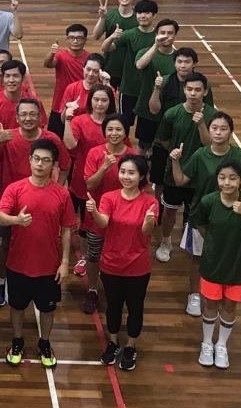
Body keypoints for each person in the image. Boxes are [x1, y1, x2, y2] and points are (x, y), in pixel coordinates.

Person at [169, 111, 241, 318]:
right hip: (202, 215)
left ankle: (222, 296)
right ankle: (194, 295)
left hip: (233, 218)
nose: (218, 132)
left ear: (231, 132)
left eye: (223, 128)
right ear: (208, 130)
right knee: (197, 258)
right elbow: (180, 181)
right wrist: (175, 161)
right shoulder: (200, 154)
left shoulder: (238, 155)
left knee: (225, 257)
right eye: (214, 128)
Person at [0, 139, 76, 369]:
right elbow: (0, 217)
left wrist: (64, 262)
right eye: (37, 159)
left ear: (54, 165)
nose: (40, 164)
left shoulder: (62, 194)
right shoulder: (15, 188)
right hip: (18, 263)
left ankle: (45, 343)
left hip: (49, 266)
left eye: (46, 160)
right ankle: (17, 341)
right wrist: (16, 220)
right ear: (30, 160)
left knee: (48, 308)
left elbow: (68, 229)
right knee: (17, 306)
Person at [86, 154, 159, 371]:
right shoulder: (109, 197)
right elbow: (103, 223)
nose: (126, 176)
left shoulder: (150, 201)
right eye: (123, 172)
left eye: (131, 173)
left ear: (142, 176)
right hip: (111, 264)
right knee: (113, 306)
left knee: (135, 308)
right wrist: (94, 212)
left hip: (137, 267)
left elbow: (147, 232)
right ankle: (113, 342)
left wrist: (147, 221)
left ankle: (130, 346)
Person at [192, 162, 241, 370]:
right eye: (222, 177)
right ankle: (207, 343)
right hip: (213, 264)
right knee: (211, 305)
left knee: (230, 306)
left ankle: (221, 344)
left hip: (237, 266)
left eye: (232, 178)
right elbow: (201, 225)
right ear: (217, 180)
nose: (227, 182)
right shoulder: (208, 201)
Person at [153, 72, 217, 273]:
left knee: (195, 214)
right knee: (170, 210)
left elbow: (211, 145)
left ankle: (192, 244)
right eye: (189, 89)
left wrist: (201, 125)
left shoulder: (212, 116)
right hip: (174, 173)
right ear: (184, 90)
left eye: (198, 90)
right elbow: (163, 139)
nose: (193, 93)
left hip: (200, 177)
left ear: (205, 92)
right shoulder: (172, 114)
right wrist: (175, 156)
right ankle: (165, 241)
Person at [62, 86, 116, 303]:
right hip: (81, 182)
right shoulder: (80, 121)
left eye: (104, 100)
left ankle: (102, 259)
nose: (100, 104)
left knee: (102, 226)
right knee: (84, 226)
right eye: (96, 100)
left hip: (108, 188)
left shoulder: (114, 125)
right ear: (90, 101)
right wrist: (67, 119)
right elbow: (69, 144)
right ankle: (85, 257)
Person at [79, 111, 136, 314]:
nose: (114, 133)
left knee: (120, 254)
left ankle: (116, 290)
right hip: (97, 215)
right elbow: (89, 183)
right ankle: (93, 290)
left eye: (118, 129)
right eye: (110, 129)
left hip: (125, 217)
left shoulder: (133, 156)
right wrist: (104, 167)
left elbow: (140, 187)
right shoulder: (95, 153)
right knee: (94, 255)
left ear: (125, 133)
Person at [100, 0, 159, 125]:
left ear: (154, 15)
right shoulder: (130, 34)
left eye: (147, 12)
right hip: (128, 89)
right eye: (139, 13)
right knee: (124, 124)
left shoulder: (158, 37)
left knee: (145, 130)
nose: (142, 16)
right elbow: (105, 48)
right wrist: (112, 37)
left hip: (149, 90)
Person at [132, 18, 180, 152]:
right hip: (147, 110)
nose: (166, 36)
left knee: (165, 145)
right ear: (156, 34)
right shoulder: (145, 52)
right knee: (143, 145)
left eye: (170, 33)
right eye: (162, 32)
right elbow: (140, 65)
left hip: (170, 110)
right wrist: (155, 46)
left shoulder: (179, 58)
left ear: (175, 35)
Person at [44, 23, 90, 136]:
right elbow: (48, 64)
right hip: (59, 105)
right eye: (72, 38)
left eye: (79, 38)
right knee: (54, 139)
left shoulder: (89, 59)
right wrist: (51, 53)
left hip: (81, 107)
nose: (75, 41)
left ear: (85, 40)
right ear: (67, 39)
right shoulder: (60, 56)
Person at [91, 0, 138, 90]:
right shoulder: (110, 15)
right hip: (110, 66)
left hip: (130, 68)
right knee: (108, 98)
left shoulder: (138, 18)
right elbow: (95, 36)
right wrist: (102, 18)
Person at [57, 53, 107, 118]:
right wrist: (67, 109)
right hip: (75, 127)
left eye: (95, 71)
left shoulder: (106, 89)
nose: (90, 74)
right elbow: (63, 120)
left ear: (101, 72)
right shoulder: (71, 88)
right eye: (88, 69)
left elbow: (114, 114)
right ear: (83, 68)